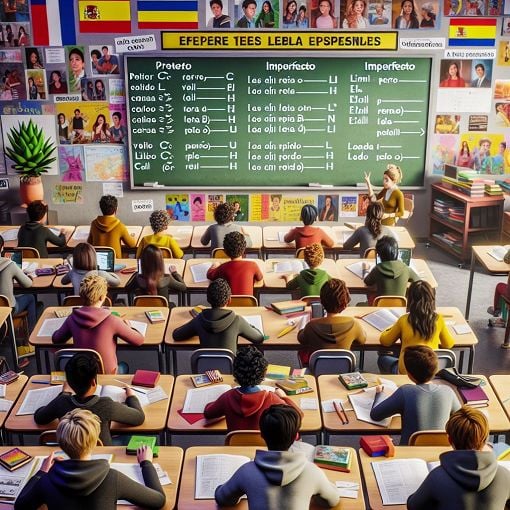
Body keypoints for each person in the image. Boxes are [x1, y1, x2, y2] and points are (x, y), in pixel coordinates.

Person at [15, 408, 165, 510]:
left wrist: (40, 473)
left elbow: (20, 506)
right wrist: (146, 464)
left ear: (60, 443)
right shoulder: (112, 478)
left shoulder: (46, 481)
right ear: (95, 441)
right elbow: (158, 500)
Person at [215, 404, 339, 510]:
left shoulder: (246, 472)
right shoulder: (313, 472)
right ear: (296, 436)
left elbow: (222, 498)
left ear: (262, 435)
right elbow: (332, 501)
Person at [407, 406, 510, 509]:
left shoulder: (437, 477)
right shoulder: (505, 475)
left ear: (450, 440)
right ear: (486, 438)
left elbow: (413, 506)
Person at [34, 353, 145, 445]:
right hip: (102, 457)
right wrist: (131, 397)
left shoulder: (61, 402)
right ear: (93, 381)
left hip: (70, 455)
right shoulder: (106, 405)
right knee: (129, 437)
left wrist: (64, 394)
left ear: (69, 381)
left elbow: (39, 417)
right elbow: (139, 417)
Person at [52, 275, 144, 374]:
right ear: (102, 297)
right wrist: (129, 327)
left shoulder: (72, 318)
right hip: (107, 376)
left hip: (83, 374)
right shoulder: (112, 320)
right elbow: (139, 340)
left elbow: (56, 339)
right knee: (123, 365)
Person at [370, 345, 460, 445]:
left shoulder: (405, 392)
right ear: (435, 370)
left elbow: (375, 415)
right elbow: (462, 418)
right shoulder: (448, 391)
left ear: (409, 374)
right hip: (440, 454)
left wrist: (379, 394)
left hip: (409, 454)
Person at [204, 346, 303, 431]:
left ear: (235, 373)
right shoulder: (271, 399)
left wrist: (217, 402)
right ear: (264, 373)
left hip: (234, 449)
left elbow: (208, 413)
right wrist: (284, 397)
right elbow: (298, 415)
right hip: (262, 448)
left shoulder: (227, 397)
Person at [377, 280, 454, 374]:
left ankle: (396, 381)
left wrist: (390, 327)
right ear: (432, 299)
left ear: (410, 299)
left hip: (407, 371)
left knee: (382, 358)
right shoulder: (438, 319)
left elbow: (385, 341)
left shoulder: (404, 320)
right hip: (431, 371)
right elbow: (448, 344)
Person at [172, 278, 264, 352]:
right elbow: (259, 338)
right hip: (230, 372)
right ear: (229, 300)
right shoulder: (238, 320)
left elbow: (176, 335)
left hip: (206, 371)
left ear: (208, 299)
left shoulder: (199, 319)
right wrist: (249, 325)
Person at [297, 278, 366, 366]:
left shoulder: (311, 326)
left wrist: (301, 326)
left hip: (317, 371)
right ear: (345, 304)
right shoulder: (353, 324)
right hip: (343, 373)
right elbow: (362, 340)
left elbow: (301, 339)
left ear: (321, 302)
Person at [363, 236, 420, 305]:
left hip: (379, 307)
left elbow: (367, 282)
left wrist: (365, 270)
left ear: (379, 255)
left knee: (370, 293)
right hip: (401, 307)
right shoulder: (406, 268)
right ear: (397, 252)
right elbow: (419, 281)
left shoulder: (377, 269)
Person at [207, 231, 263, 296]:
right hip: (248, 305)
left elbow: (209, 275)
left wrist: (214, 265)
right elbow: (260, 278)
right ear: (244, 249)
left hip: (228, 304)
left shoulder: (223, 267)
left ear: (225, 251)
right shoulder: (253, 265)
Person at [0, 235, 36, 331]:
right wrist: (29, 277)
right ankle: (32, 334)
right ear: (2, 248)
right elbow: (28, 284)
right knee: (30, 297)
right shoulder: (10, 264)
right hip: (9, 309)